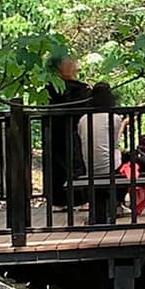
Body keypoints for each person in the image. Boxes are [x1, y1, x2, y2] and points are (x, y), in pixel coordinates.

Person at [43, 52, 92, 209]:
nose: (73, 67)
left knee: (72, 163)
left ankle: (73, 199)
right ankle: (65, 200)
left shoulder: (76, 87)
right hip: (63, 131)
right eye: (69, 64)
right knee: (66, 164)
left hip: (67, 130)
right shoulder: (54, 88)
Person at [76, 81, 125, 224]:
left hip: (90, 167)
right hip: (110, 167)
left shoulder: (83, 119)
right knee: (133, 165)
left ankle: (98, 215)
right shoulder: (114, 118)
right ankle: (116, 205)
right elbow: (114, 143)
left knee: (98, 179)